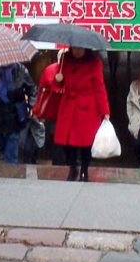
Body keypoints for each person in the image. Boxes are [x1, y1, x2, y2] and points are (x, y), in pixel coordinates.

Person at [54, 47, 109, 181]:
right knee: (69, 142)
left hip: (87, 108)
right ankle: (73, 168)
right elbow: (59, 84)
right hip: (69, 106)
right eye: (75, 49)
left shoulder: (95, 63)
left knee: (86, 143)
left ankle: (84, 169)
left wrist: (105, 111)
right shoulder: (64, 59)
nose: (77, 51)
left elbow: (99, 88)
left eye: (80, 49)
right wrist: (59, 80)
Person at [0, 63, 36, 164]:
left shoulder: (21, 69)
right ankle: (6, 152)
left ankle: (10, 169)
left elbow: (32, 89)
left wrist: (31, 105)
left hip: (15, 111)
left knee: (13, 138)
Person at [35, 51, 67, 165]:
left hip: (69, 115)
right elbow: (45, 88)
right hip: (53, 114)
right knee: (56, 143)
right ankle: (59, 166)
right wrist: (57, 82)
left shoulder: (76, 71)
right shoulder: (50, 70)